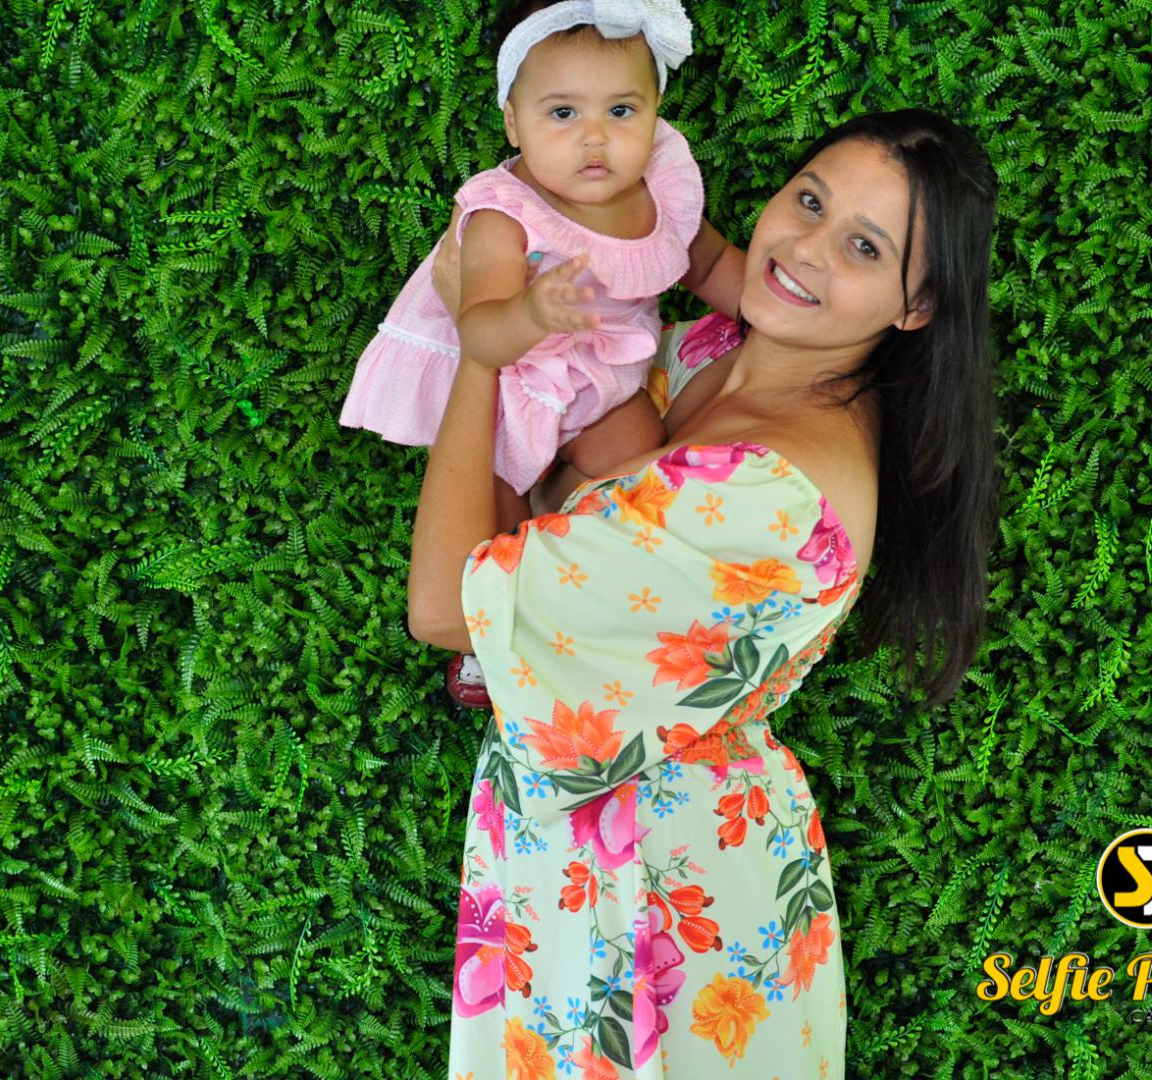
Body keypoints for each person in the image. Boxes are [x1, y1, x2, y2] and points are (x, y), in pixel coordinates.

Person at [408, 106, 1000, 1076]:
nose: (804, 248)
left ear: (916, 307)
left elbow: (443, 606)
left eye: (862, 247)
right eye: (808, 201)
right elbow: (512, 523)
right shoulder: (697, 352)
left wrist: (482, 345)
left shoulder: (772, 498)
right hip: (579, 871)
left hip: (667, 903)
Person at [341, 0, 749, 708]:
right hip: (515, 388)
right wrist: (530, 313)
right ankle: (485, 643)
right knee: (491, 517)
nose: (594, 138)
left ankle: (565, 517)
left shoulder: (658, 190)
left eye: (621, 111)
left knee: (639, 458)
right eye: (562, 113)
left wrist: (763, 308)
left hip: (603, 385)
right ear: (513, 122)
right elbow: (479, 335)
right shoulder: (505, 214)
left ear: (654, 112)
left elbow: (708, 263)